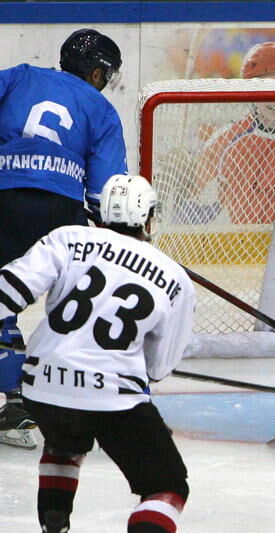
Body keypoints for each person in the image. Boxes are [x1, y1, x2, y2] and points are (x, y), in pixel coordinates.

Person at [0, 175, 195, 533]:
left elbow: (9, 291)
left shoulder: (66, 238)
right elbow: (158, 368)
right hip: (111, 398)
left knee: (63, 444)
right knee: (166, 487)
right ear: (149, 219)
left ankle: (54, 526)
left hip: (42, 386)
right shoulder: (176, 278)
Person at [0, 28, 128, 449]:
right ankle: (82, 395)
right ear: (97, 72)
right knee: (77, 305)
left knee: (1, 301)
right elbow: (106, 192)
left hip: (3, 200)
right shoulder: (102, 109)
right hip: (61, 215)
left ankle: (14, 401)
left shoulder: (19, 76)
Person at [184, 41, 275, 225]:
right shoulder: (224, 142)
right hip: (241, 239)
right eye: (264, 88)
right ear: (249, 91)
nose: (274, 97)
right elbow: (199, 204)